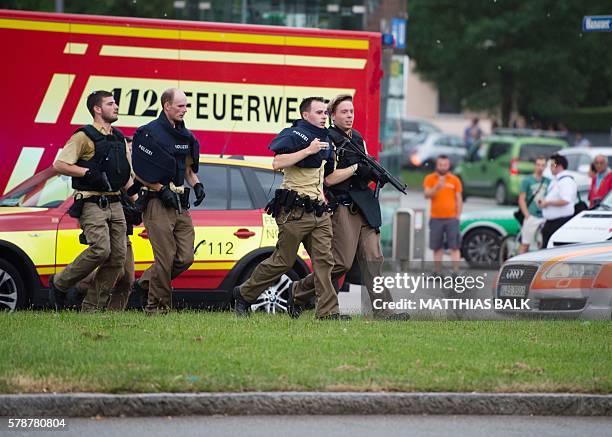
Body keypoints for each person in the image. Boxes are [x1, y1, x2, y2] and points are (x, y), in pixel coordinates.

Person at [290, 94, 409, 321]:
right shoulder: (329, 139)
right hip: (343, 206)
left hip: (365, 206)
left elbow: (364, 167)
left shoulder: (358, 138)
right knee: (340, 263)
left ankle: (384, 311)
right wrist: (356, 168)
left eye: (351, 111)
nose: (349, 116)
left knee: (374, 261)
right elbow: (329, 179)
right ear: (333, 116)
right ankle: (299, 290)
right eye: (344, 112)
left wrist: (372, 174)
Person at [233, 97, 345, 320]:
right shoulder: (293, 134)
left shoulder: (327, 140)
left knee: (325, 261)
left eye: (326, 112)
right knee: (283, 261)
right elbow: (277, 162)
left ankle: (327, 312)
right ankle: (244, 294)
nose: (324, 116)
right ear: (306, 115)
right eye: (319, 112)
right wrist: (308, 150)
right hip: (294, 211)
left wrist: (354, 169)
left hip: (319, 211)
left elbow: (327, 178)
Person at [49, 90, 132, 311]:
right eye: (110, 104)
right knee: (101, 250)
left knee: (117, 259)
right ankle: (59, 283)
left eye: (115, 104)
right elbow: (60, 165)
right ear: (97, 109)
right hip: (91, 202)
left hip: (116, 203)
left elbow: (124, 175)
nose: (116, 107)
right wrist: (86, 173)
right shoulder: (83, 136)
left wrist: (136, 198)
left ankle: (92, 308)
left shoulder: (118, 138)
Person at [131, 88, 205, 315]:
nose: (185, 110)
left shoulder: (186, 136)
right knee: (165, 258)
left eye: (186, 106)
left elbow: (188, 169)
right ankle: (157, 307)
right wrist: (160, 189)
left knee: (185, 257)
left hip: (180, 204)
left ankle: (145, 283)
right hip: (156, 203)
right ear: (166, 106)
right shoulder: (148, 133)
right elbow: (138, 171)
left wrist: (197, 184)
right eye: (180, 106)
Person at [76, 137, 138, 310]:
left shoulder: (135, 174)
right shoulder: (113, 172)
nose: (130, 154)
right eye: (128, 150)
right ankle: (76, 285)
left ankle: (113, 316)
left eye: (132, 151)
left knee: (127, 279)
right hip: (109, 226)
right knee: (116, 271)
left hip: (125, 229)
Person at [423, 155, 463, 272]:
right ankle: (437, 272)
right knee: (437, 247)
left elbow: (459, 198)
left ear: (448, 165)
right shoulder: (430, 178)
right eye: (440, 164)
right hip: (436, 218)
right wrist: (437, 187)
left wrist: (458, 215)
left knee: (454, 247)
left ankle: (456, 273)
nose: (443, 167)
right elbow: (426, 195)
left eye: (445, 165)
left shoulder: (455, 180)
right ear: (437, 165)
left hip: (452, 218)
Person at [538, 154, 577, 248]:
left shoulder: (566, 180)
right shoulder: (557, 180)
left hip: (560, 222)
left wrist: (547, 203)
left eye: (552, 165)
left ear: (559, 166)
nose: (550, 168)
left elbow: (565, 200)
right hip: (552, 222)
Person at [517, 156, 550, 254]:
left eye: (543, 165)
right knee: (525, 244)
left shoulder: (548, 181)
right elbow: (521, 199)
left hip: (544, 216)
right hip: (532, 215)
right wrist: (527, 215)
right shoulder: (527, 180)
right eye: (538, 165)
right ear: (535, 166)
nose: (540, 167)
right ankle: (518, 265)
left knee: (542, 244)